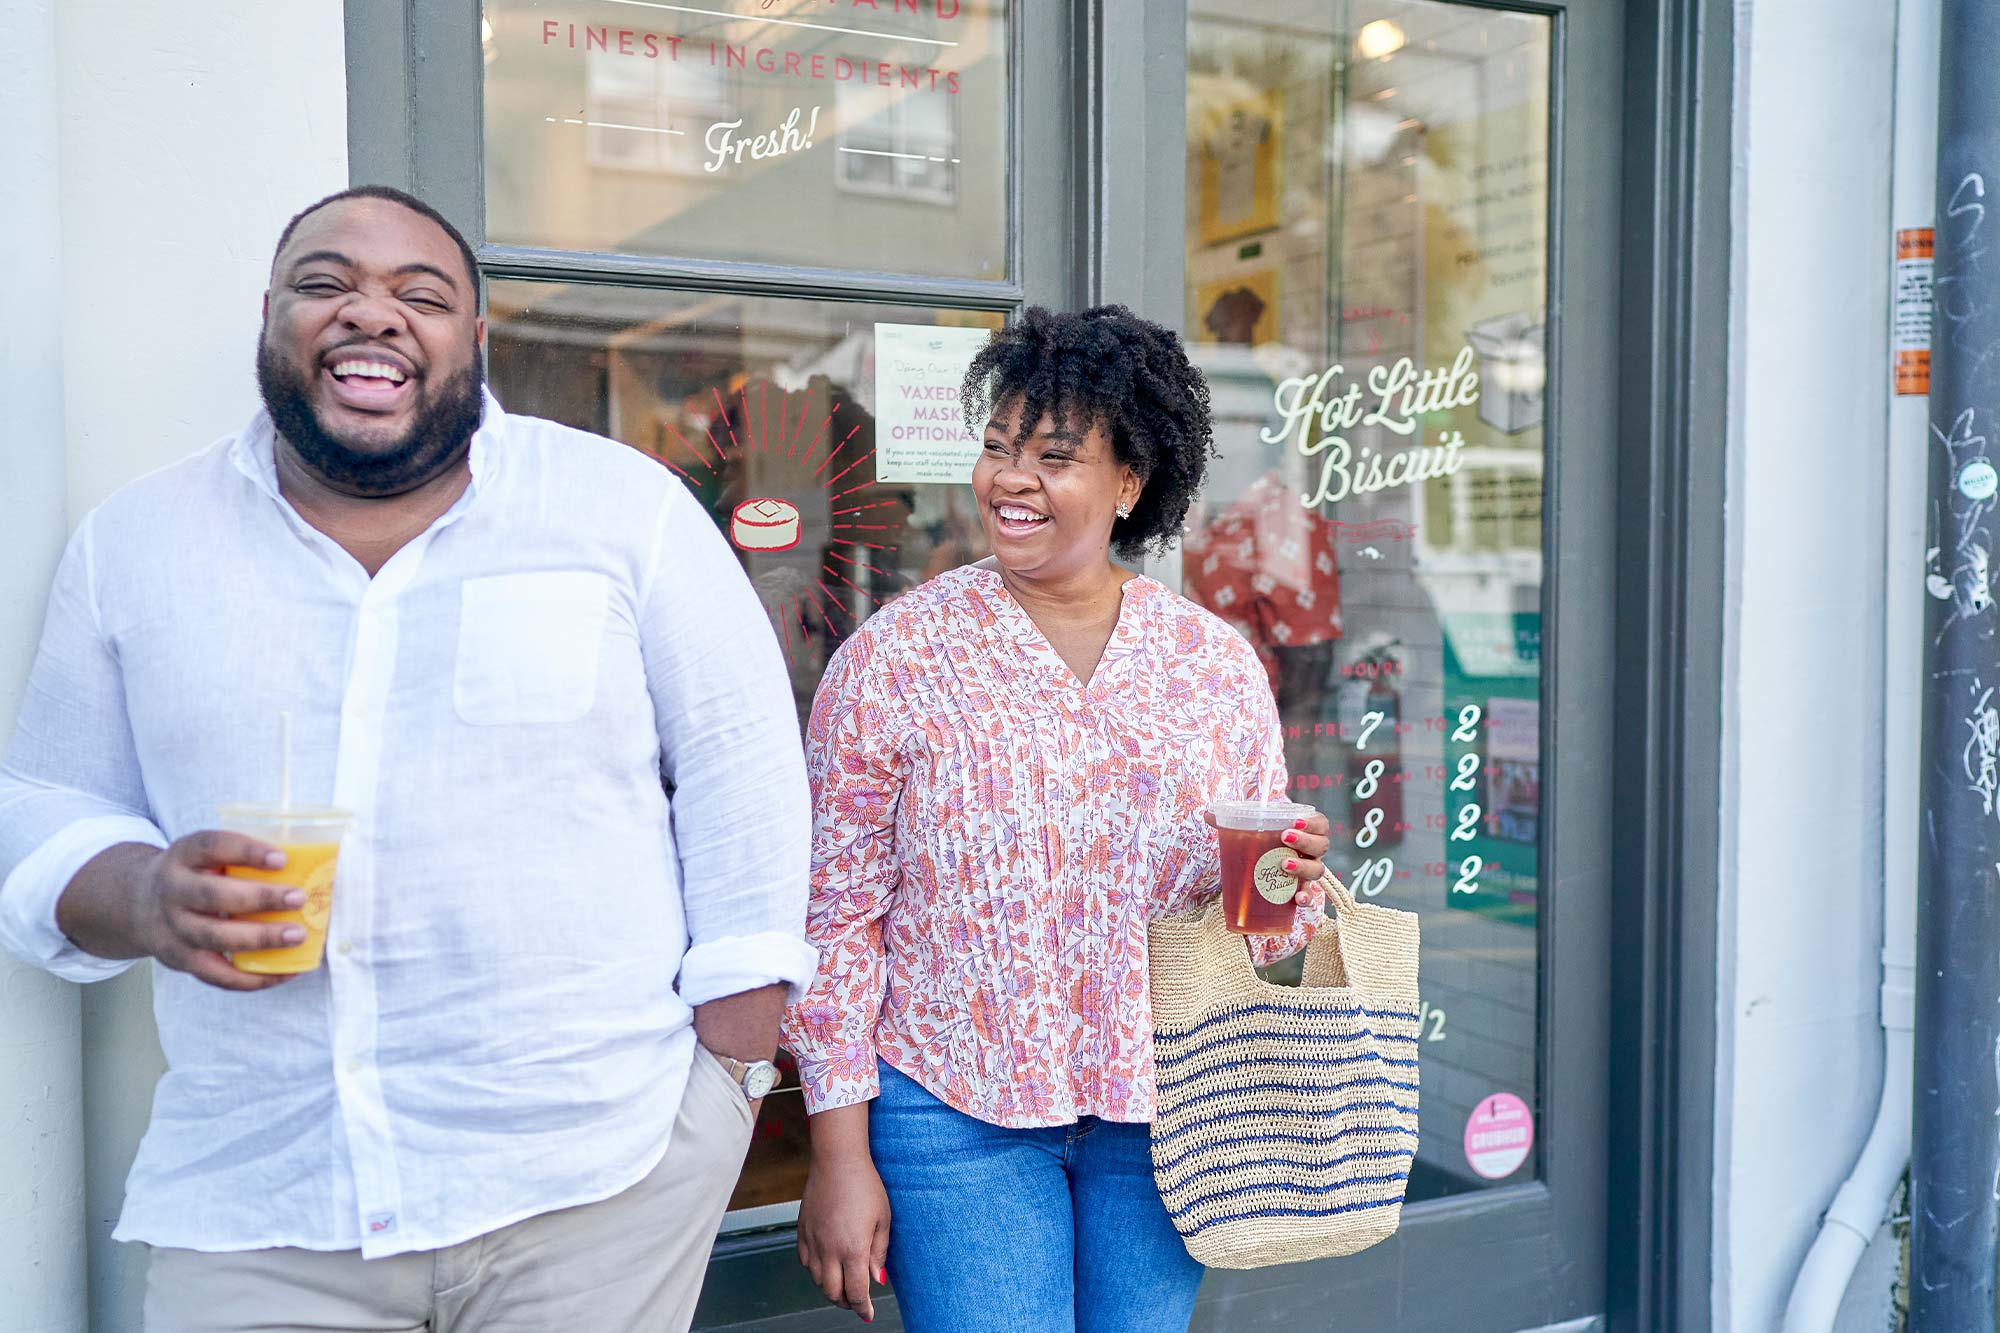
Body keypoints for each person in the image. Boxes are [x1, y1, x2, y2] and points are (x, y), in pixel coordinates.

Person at [0, 185, 814, 1332]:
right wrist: (142, 894)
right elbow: (45, 796)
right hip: (265, 1191)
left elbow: (743, 769)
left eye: (420, 295)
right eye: (325, 284)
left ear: (473, 344)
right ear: (270, 318)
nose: (369, 315)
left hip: (597, 1177)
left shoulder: (620, 510)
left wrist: (731, 1076)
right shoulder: (137, 544)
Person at [782, 306, 1335, 1331]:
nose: (1009, 478)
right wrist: (837, 1153)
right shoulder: (894, 659)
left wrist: (1286, 883)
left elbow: (1263, 936)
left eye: (1051, 456)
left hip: (1162, 1111)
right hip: (954, 1110)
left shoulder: (1210, 668)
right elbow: (834, 920)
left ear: (1129, 482)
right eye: (997, 448)